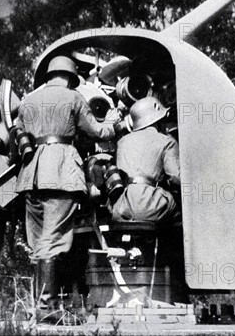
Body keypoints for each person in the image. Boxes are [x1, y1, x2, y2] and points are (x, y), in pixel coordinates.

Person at [14, 55, 116, 318]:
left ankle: (39, 307)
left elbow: (19, 132)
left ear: (49, 76)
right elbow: (96, 132)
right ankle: (46, 309)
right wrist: (113, 123)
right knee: (54, 240)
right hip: (61, 173)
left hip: (31, 176)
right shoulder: (73, 97)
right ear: (71, 76)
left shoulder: (28, 100)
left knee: (39, 243)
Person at [111, 96, 181, 225]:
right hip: (152, 205)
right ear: (158, 120)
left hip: (123, 207)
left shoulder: (122, 142)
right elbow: (176, 178)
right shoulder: (166, 141)